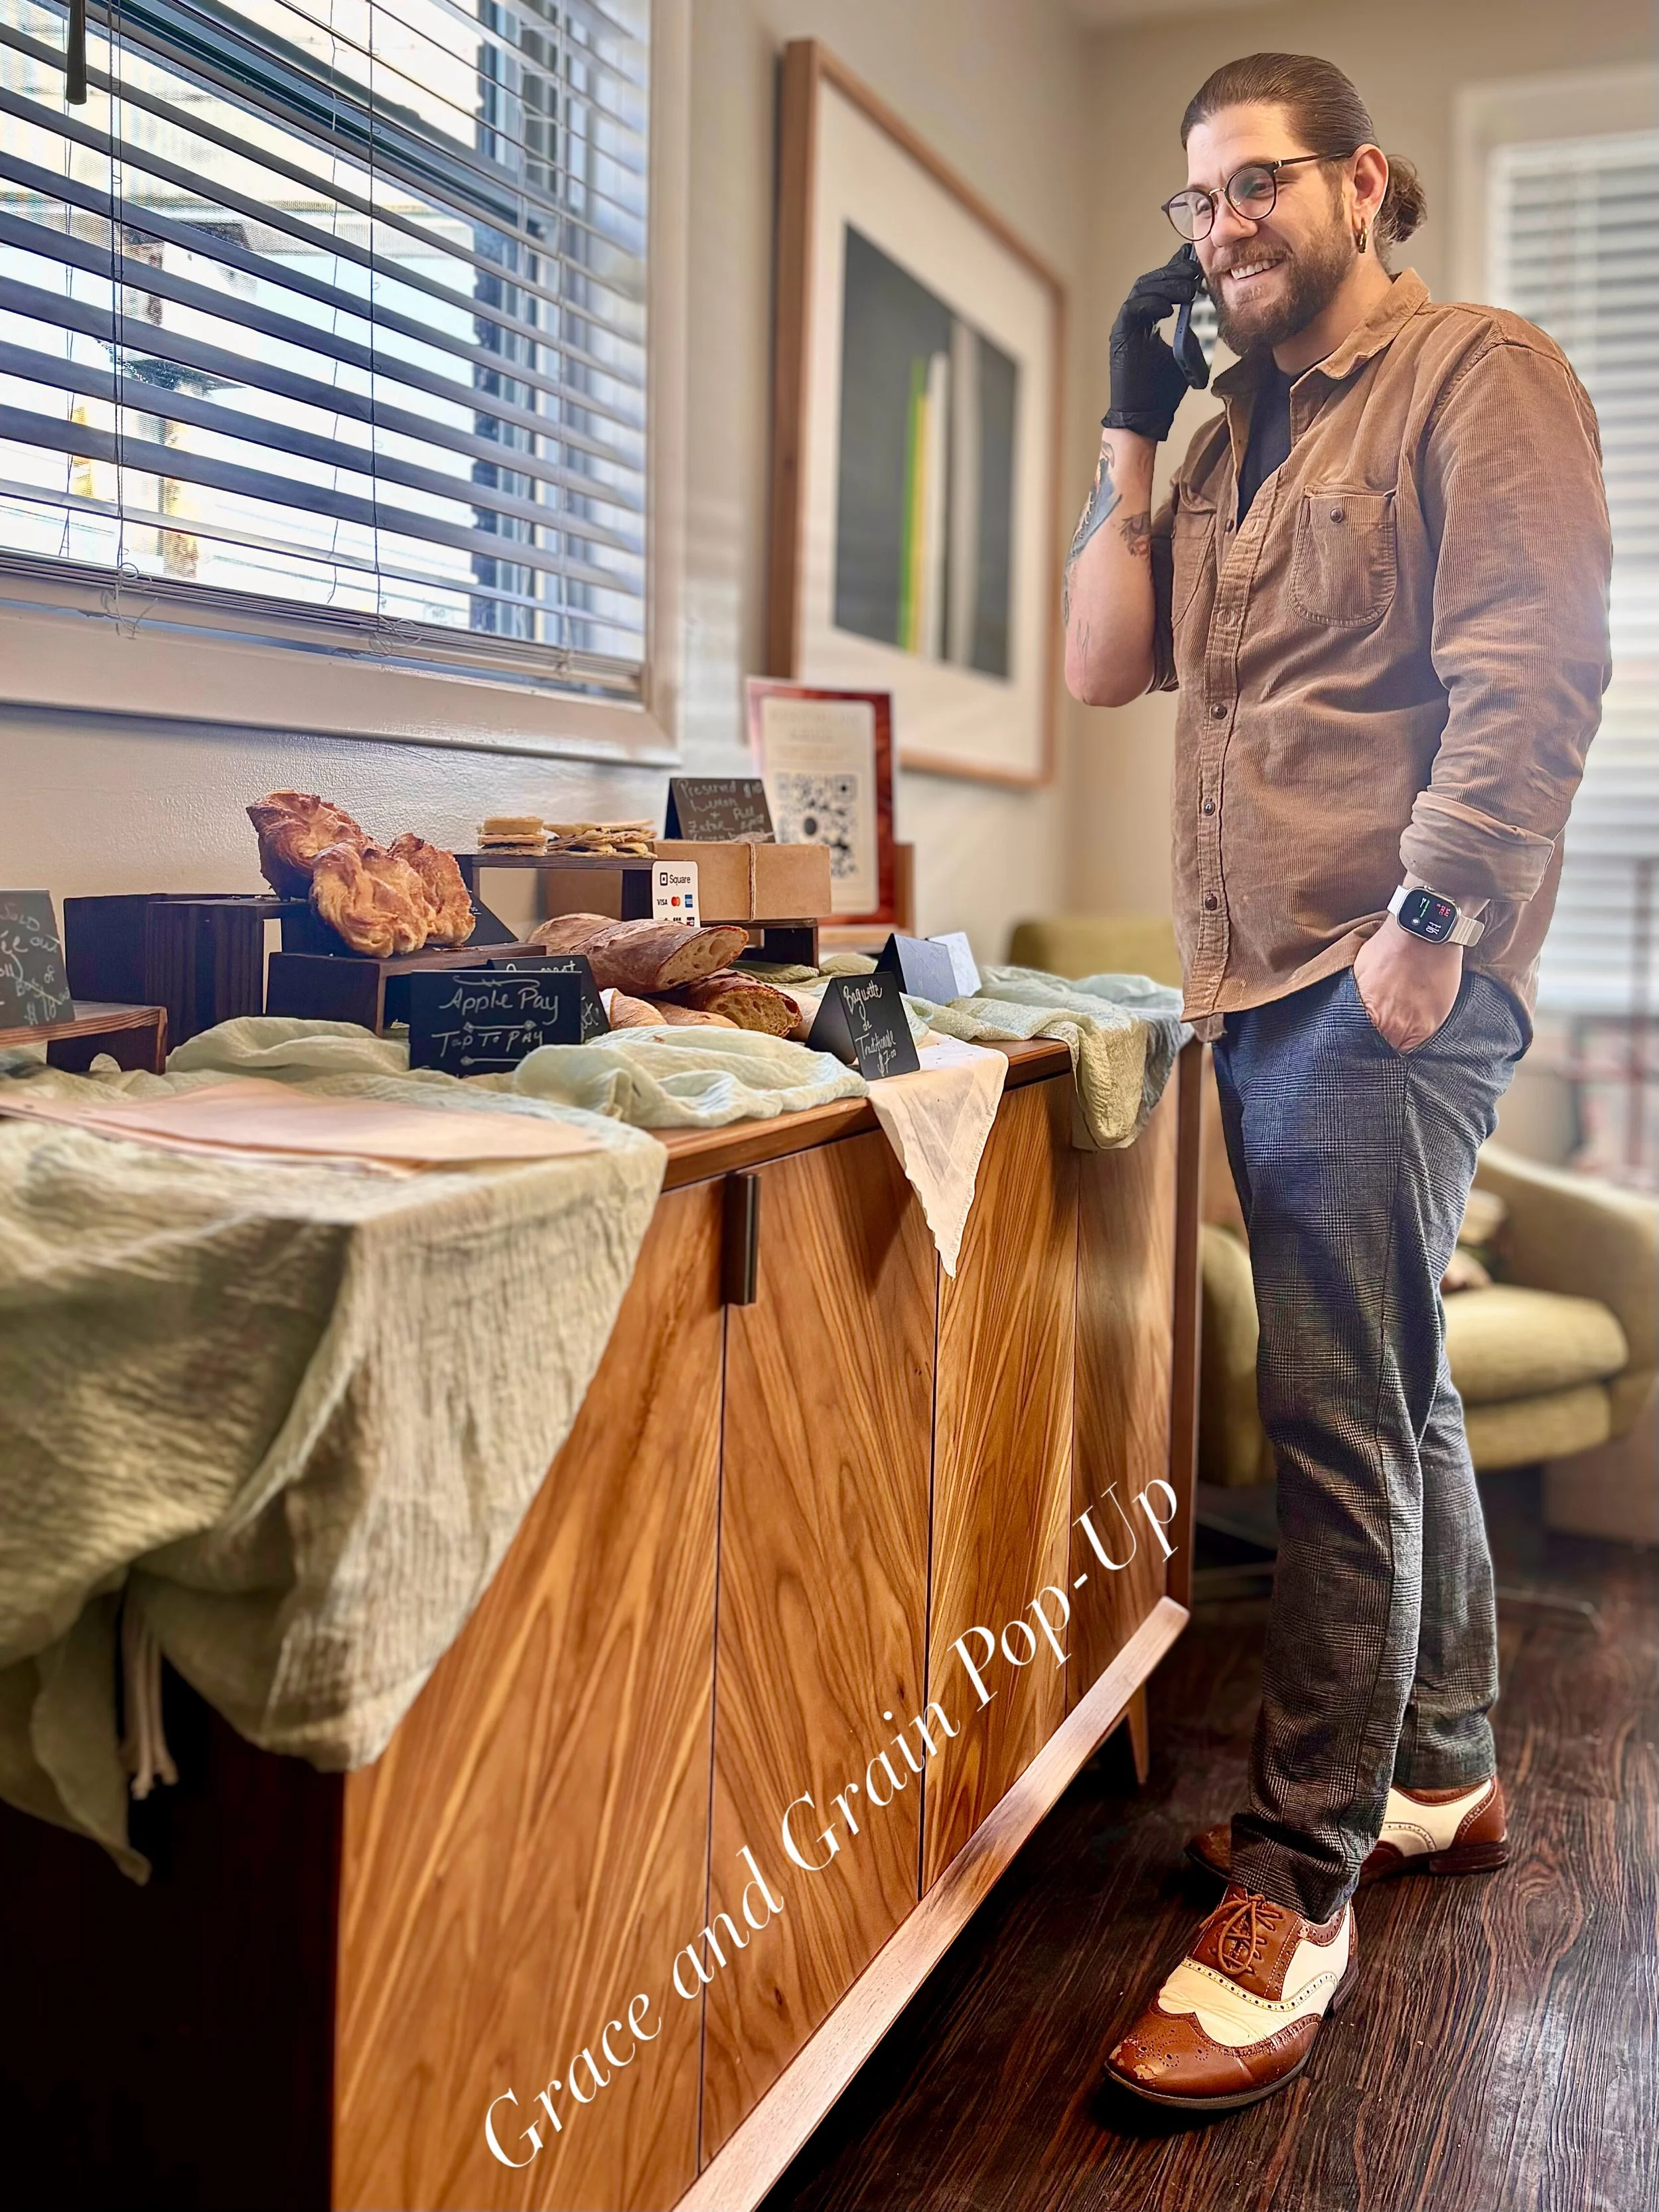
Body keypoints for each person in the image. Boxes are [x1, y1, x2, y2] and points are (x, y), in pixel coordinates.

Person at [1064, 51, 1611, 2115]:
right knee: (1395, 1383)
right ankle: (1441, 1775)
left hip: (1378, 971)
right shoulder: (1212, 440)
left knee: (1332, 1417)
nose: (1226, 229)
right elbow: (1107, 664)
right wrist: (1129, 421)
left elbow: (1534, 662)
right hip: (1252, 982)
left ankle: (1297, 1884)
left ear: (1361, 183)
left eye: (1260, 186)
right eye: (1199, 202)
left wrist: (1428, 921)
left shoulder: (1478, 373)